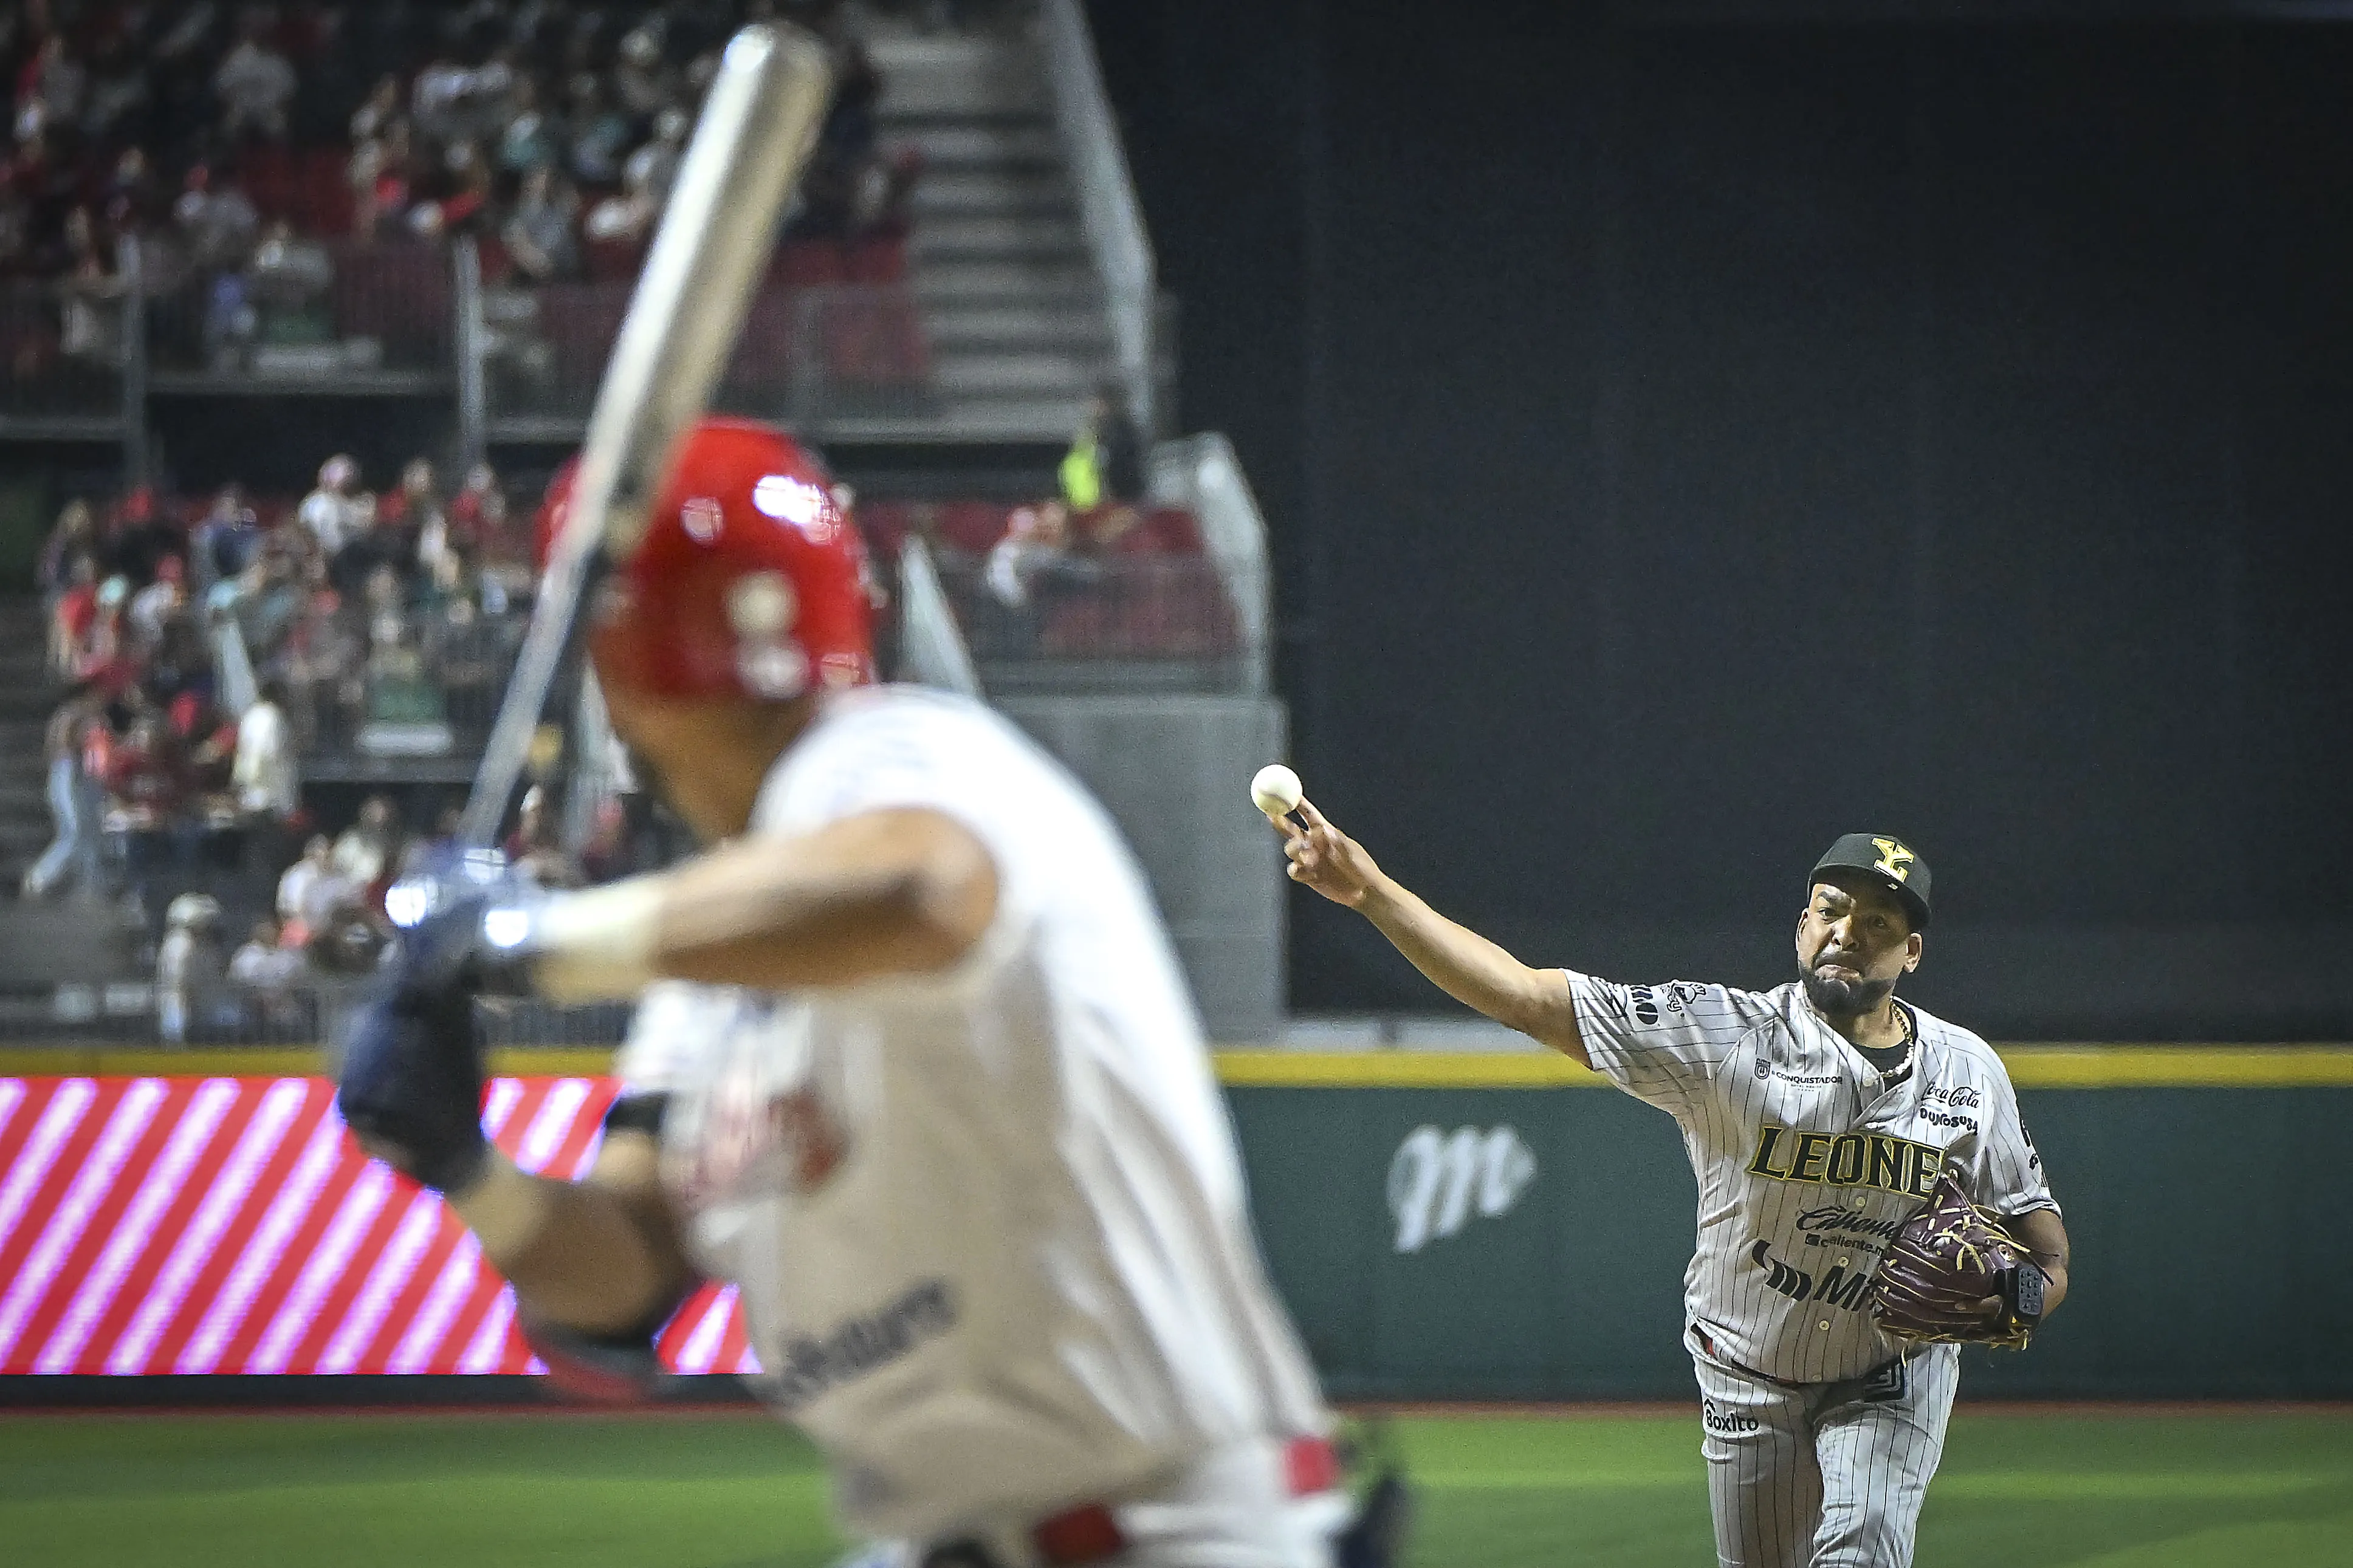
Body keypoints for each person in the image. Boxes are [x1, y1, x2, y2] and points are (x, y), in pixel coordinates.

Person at [338, 417, 1350, 1568]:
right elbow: (616, 1287)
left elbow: (918, 890)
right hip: (950, 1535)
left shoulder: (894, 759)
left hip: (1165, 1533)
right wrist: (466, 1172)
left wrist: (528, 941)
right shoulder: (715, 957)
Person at [1279, 809, 2071, 1568]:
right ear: (1801, 926)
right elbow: (1524, 995)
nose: (1849, 934)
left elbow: (2045, 1252)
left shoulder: (1969, 1073)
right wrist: (1375, 894)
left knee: (1861, 1549)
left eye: (1879, 925)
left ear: (1912, 954)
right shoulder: (1722, 1036)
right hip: (1747, 1370)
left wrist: (2025, 1295)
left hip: (1894, 1373)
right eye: (1834, 909)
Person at [22, 681, 106, 900]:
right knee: (75, 832)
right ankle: (40, 877)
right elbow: (64, 746)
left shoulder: (86, 717)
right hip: (70, 773)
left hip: (81, 776)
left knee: (90, 833)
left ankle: (92, 885)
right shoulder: (73, 714)